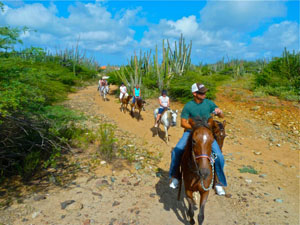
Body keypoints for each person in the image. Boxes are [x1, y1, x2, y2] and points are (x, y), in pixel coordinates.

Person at [169, 83, 227, 196]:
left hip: (206, 135)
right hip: (191, 132)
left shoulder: (209, 103)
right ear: (194, 94)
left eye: (205, 92)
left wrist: (220, 112)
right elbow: (183, 123)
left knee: (219, 156)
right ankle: (175, 176)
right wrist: (196, 128)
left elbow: (222, 117)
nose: (204, 94)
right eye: (201, 92)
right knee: (177, 150)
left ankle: (218, 182)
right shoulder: (188, 106)